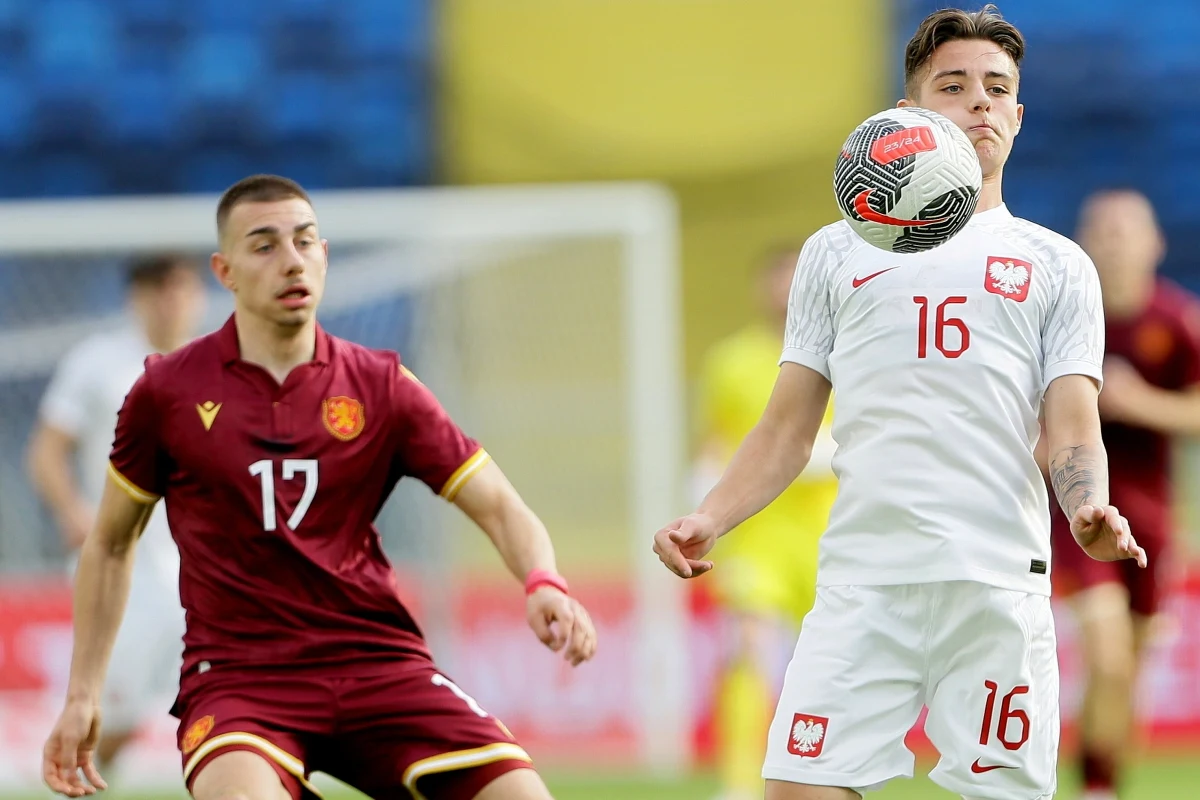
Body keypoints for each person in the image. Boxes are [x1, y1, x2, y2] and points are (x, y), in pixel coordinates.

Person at [653, 6, 1146, 799]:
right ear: (907, 114)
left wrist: (1087, 505)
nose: (979, 101)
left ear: (1018, 118)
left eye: (997, 88)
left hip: (994, 585)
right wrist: (712, 515)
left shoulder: (1058, 266)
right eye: (954, 86)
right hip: (862, 584)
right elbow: (786, 430)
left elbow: (1072, 429)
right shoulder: (833, 254)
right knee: (796, 790)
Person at [42, 174, 597, 800]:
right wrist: (82, 694)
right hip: (239, 679)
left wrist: (543, 581)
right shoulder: (165, 392)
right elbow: (111, 543)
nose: (291, 261)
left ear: (324, 257)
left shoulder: (383, 385)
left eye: (305, 242)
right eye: (264, 246)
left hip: (378, 663)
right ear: (225, 272)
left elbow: (498, 503)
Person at [27, 254, 207, 775]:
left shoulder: (219, 364)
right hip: (124, 563)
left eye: (181, 288)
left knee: (226, 698)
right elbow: (46, 449)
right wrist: (72, 511)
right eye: (159, 289)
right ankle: (64, 779)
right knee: (111, 711)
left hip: (202, 565)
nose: (172, 301)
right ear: (136, 298)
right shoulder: (98, 362)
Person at [1050, 190, 1200, 800]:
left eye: (1125, 230)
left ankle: (1103, 780)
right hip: (1080, 513)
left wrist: (1138, 402)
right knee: (1107, 658)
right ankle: (1095, 789)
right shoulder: (1061, 320)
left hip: (1152, 520)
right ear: (1083, 243)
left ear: (1154, 243)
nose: (1113, 242)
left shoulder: (1177, 320)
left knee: (1126, 676)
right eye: (1102, 230)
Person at [693, 246, 836, 800]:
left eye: (794, 281)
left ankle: (822, 773)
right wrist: (704, 504)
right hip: (758, 535)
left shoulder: (846, 353)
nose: (785, 292)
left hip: (828, 533)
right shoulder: (731, 361)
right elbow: (714, 444)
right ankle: (738, 784)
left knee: (828, 663)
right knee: (748, 648)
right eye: (777, 280)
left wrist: (815, 455)